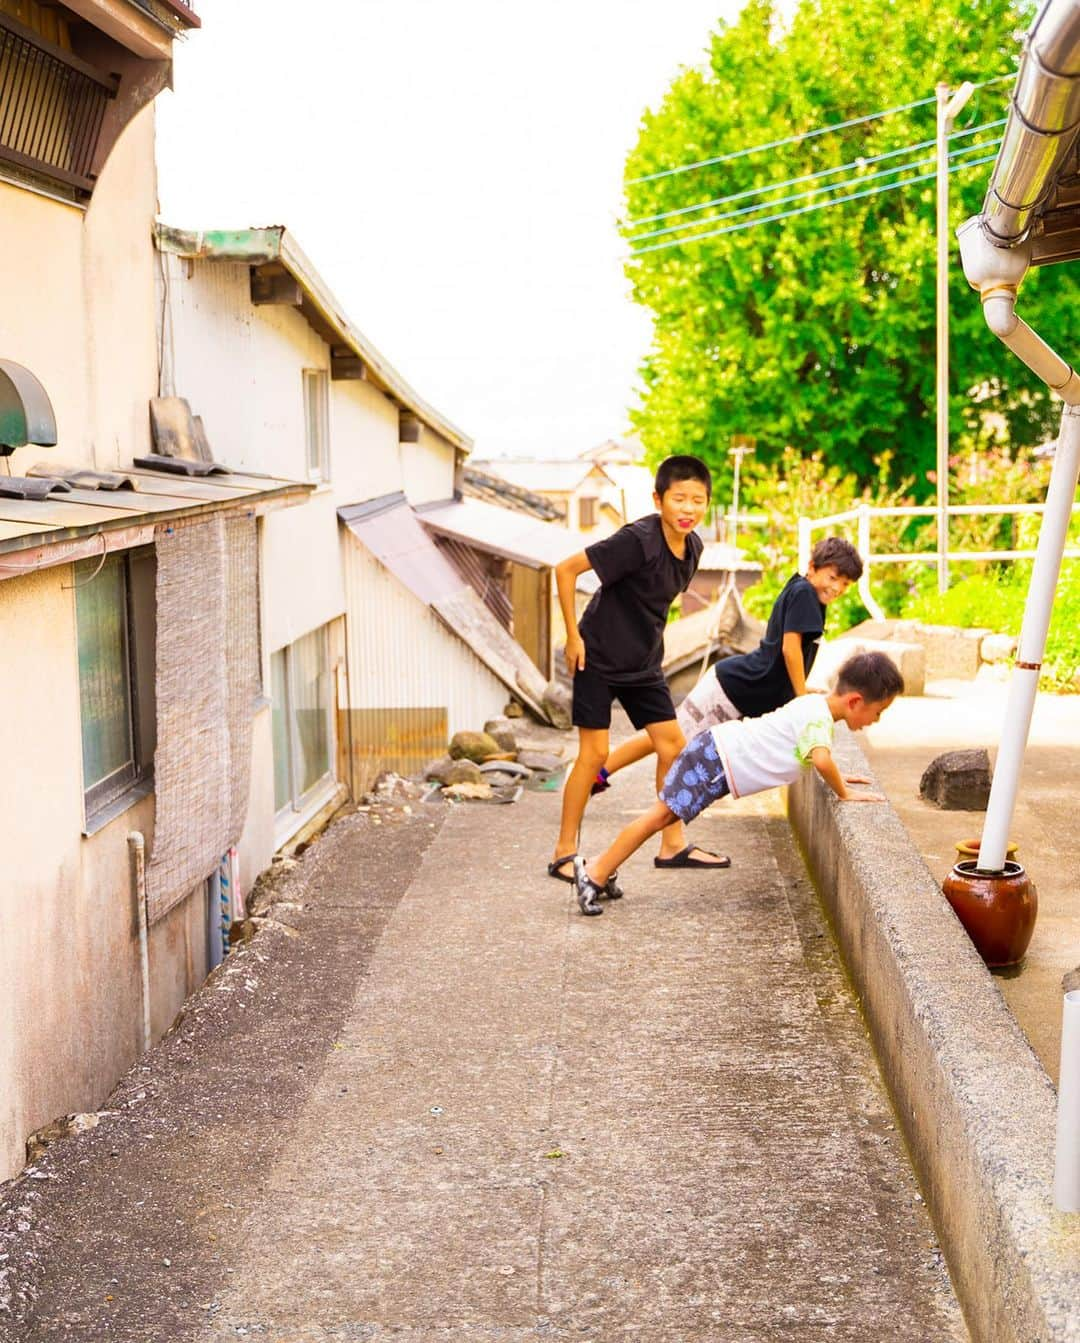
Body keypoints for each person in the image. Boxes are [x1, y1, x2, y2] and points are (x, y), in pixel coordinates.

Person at [572, 650, 902, 915]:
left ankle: (603, 867)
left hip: (714, 753)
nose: (876, 720)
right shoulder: (819, 719)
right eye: (879, 712)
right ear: (856, 701)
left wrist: (837, 777)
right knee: (658, 817)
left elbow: (808, 752)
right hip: (714, 760)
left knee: (661, 817)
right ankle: (595, 872)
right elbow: (820, 758)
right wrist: (844, 793)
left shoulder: (813, 705)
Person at [548, 454, 727, 889]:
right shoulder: (637, 540)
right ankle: (563, 853)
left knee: (673, 746)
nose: (688, 509)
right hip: (598, 657)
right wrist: (573, 637)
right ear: (658, 499)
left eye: (697, 500)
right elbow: (566, 569)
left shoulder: (694, 548)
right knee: (592, 757)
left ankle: (672, 844)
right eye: (679, 499)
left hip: (644, 663)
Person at [591, 537, 865, 821]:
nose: (836, 588)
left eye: (845, 584)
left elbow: (785, 655)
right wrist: (801, 697)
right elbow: (789, 649)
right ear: (812, 567)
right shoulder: (806, 593)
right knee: (671, 740)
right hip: (732, 689)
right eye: (832, 577)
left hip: (741, 688)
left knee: (669, 737)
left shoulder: (804, 591)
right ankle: (605, 777)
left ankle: (606, 776)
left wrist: (802, 690)